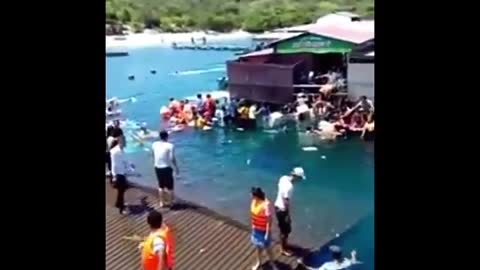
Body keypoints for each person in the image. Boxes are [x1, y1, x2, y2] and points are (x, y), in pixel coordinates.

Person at [274, 167, 306, 256]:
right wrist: (287, 215)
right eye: (299, 178)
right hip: (282, 210)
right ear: (296, 177)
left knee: (283, 229)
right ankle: (283, 249)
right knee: (286, 231)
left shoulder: (283, 178)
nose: (299, 181)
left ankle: (284, 244)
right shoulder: (290, 187)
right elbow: (286, 201)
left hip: (277, 206)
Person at [250, 187, 279, 270]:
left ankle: (273, 264)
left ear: (256, 195)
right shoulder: (254, 201)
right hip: (256, 229)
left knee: (268, 248)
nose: (250, 196)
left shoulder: (266, 205)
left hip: (263, 230)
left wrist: (267, 232)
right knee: (258, 247)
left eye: (252, 194)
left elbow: (269, 220)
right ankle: (259, 262)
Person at [152, 131, 179, 208]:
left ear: (160, 137)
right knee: (170, 186)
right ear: (167, 137)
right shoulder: (170, 145)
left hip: (157, 167)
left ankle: (161, 202)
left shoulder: (154, 144)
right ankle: (171, 203)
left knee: (161, 186)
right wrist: (176, 167)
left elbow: (153, 155)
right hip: (166, 167)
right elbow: (172, 158)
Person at [110, 137, 129, 215]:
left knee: (122, 190)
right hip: (118, 174)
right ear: (121, 142)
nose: (126, 144)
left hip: (121, 172)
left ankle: (119, 203)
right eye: (125, 142)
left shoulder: (120, 150)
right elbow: (114, 164)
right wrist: (114, 176)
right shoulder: (116, 152)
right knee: (121, 191)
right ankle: (121, 209)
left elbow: (123, 162)